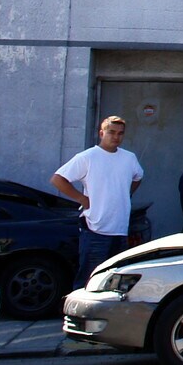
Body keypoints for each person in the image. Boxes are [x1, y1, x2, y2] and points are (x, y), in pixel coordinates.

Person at [52, 115, 145, 287]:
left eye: (120, 133)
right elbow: (58, 179)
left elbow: (138, 176)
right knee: (90, 276)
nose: (116, 137)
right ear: (102, 133)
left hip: (120, 228)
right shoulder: (88, 157)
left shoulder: (129, 158)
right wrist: (81, 198)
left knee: (114, 278)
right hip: (96, 228)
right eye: (111, 132)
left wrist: (126, 193)